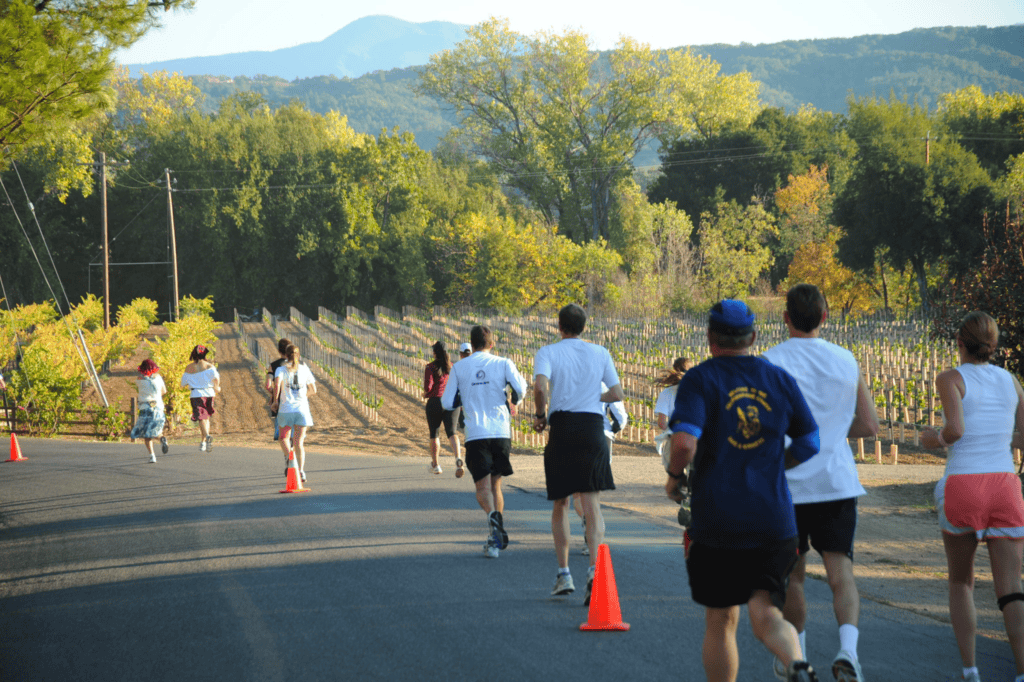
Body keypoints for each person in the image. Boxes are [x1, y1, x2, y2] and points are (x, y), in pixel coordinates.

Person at [665, 299, 821, 682]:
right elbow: (810, 442)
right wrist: (776, 465)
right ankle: (797, 663)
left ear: (710, 337)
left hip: (717, 519)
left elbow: (684, 442)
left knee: (721, 620)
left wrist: (673, 476)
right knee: (767, 613)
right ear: (752, 337)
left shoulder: (700, 379)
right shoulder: (779, 379)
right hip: (774, 519)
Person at [761, 284, 880, 682]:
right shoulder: (846, 359)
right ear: (825, 317)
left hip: (787, 486)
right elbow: (869, 425)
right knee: (841, 574)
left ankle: (798, 658)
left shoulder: (770, 362)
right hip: (836, 483)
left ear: (785, 318)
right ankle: (849, 652)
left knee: (792, 576)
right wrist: (831, 431)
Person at [921, 311, 1024, 682]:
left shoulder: (951, 378)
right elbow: (1022, 436)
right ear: (993, 345)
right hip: (1005, 486)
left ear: (960, 343)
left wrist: (933, 439)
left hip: (963, 484)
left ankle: (970, 671)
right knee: (1011, 589)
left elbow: (956, 429)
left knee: (961, 581)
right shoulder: (1012, 382)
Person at [533, 303, 624, 603]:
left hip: (563, 428)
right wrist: (593, 396)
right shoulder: (600, 352)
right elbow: (617, 394)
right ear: (584, 326)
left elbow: (540, 387)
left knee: (561, 502)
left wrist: (540, 415)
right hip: (593, 428)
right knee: (591, 503)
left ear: (559, 326)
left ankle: (564, 574)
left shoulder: (548, 352)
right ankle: (595, 570)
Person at [442, 325, 527, 559]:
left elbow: (447, 402)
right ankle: (494, 539)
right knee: (496, 486)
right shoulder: (503, 363)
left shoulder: (459, 367)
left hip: (476, 433)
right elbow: (521, 388)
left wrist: (463, 397)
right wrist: (514, 399)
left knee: (482, 489)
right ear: (492, 344)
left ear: (471, 344)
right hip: (501, 432)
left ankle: (492, 519)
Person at [573, 384, 628, 559]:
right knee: (593, 493)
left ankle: (588, 523)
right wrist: (612, 429)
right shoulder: (605, 383)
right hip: (600, 434)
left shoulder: (570, 379)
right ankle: (594, 536)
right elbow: (620, 416)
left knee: (577, 494)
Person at [272, 343, 317, 483]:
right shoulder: (304, 369)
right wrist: (303, 397)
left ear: (286, 355)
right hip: (302, 410)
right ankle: (301, 471)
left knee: (283, 438)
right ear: (299, 355)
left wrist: (275, 401)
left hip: (286, 409)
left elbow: (277, 385)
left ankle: (289, 459)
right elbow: (313, 390)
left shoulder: (281, 369)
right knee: (299, 443)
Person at [423, 340, 461, 475]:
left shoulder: (430, 367)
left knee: (434, 434)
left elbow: (428, 387)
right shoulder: (453, 367)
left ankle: (436, 465)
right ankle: (458, 459)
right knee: (452, 432)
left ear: (435, 352)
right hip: (451, 402)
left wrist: (426, 393)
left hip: (436, 401)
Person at [180, 344, 220, 452]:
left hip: (196, 394)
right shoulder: (210, 366)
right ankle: (203, 442)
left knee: (201, 418)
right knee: (206, 418)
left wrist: (192, 380)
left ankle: (207, 436)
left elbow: (183, 383)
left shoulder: (189, 368)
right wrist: (217, 387)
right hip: (209, 393)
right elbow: (216, 378)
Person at [129, 359, 167, 464]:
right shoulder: (158, 378)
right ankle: (162, 439)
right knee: (156, 430)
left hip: (145, 407)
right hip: (158, 407)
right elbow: (164, 391)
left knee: (147, 434)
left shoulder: (139, 380)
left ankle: (152, 456)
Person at [265, 338, 291, 441]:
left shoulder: (273, 366)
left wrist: (274, 394)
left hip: (280, 401)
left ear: (279, 350)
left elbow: (268, 385)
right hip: (295, 401)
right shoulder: (298, 365)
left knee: (280, 434)